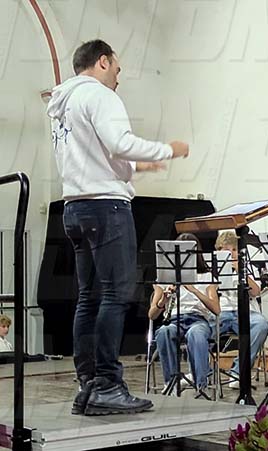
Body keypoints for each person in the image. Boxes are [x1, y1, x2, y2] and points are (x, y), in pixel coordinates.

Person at [47, 39, 190, 415]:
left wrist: (136, 166)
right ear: (102, 61)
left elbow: (94, 155)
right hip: (106, 208)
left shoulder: (63, 104)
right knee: (115, 295)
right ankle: (109, 384)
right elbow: (119, 142)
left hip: (75, 207)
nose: (118, 77)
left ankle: (88, 383)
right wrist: (168, 150)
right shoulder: (99, 95)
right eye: (117, 68)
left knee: (89, 298)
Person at [148, 233, 220, 395]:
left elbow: (216, 309)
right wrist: (164, 300)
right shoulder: (164, 278)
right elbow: (152, 315)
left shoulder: (207, 276)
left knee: (196, 334)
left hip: (198, 320)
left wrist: (194, 290)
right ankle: (171, 383)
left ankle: (201, 384)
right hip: (173, 319)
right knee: (164, 331)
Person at [214, 231, 268, 389]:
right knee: (200, 330)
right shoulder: (211, 267)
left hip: (246, 311)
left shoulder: (247, 266)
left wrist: (241, 270)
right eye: (226, 250)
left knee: (262, 326)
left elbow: (256, 292)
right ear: (218, 251)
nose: (231, 254)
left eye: (234, 250)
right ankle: (200, 373)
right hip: (221, 311)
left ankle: (238, 371)